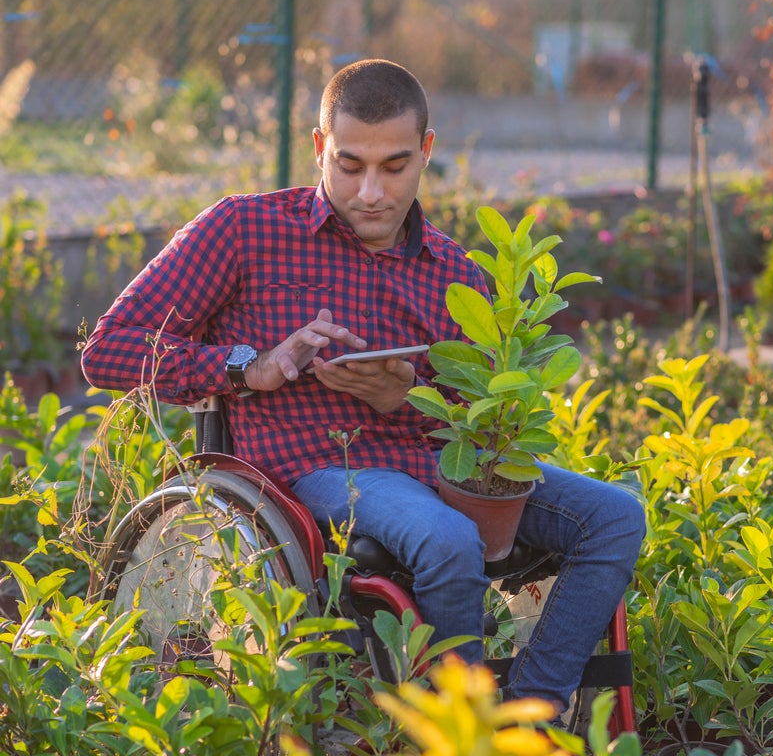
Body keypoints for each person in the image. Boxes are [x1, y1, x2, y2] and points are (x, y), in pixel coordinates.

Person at [81, 58, 646, 711]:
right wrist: (251, 365)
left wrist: (403, 392)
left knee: (614, 516)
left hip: (435, 462)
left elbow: (491, 414)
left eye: (395, 166)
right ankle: (463, 744)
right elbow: (109, 349)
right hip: (312, 467)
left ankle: (533, 710)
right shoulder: (246, 230)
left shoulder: (453, 272)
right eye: (349, 165)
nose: (371, 191)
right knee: (447, 537)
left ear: (426, 152)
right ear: (320, 147)